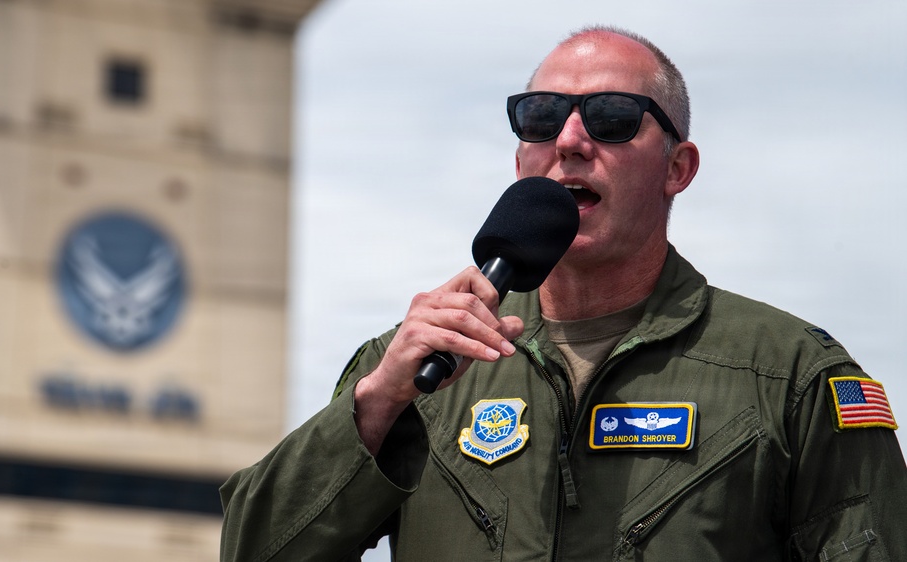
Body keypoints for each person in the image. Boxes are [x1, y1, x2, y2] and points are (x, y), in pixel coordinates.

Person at [220, 26, 907, 561]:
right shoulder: (410, 369)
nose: (570, 139)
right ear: (520, 155)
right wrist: (375, 404)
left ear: (677, 168)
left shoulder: (787, 376)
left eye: (611, 117)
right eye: (541, 116)